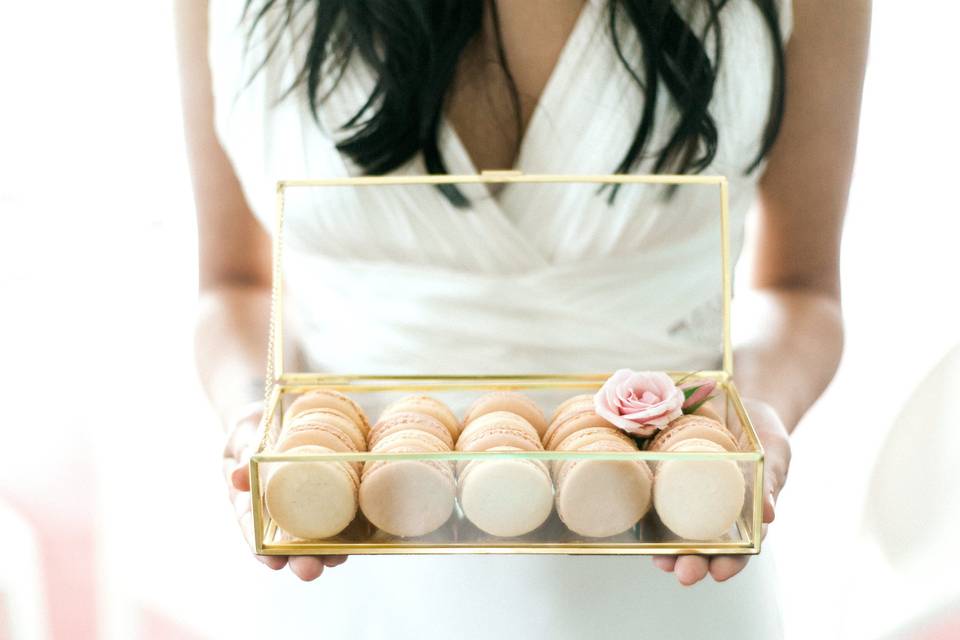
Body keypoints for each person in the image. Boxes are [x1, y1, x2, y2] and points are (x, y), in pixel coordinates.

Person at [175, 0, 869, 637]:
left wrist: (754, 424)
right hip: (334, 551)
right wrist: (257, 419)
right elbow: (232, 286)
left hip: (674, 553)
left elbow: (802, 290)